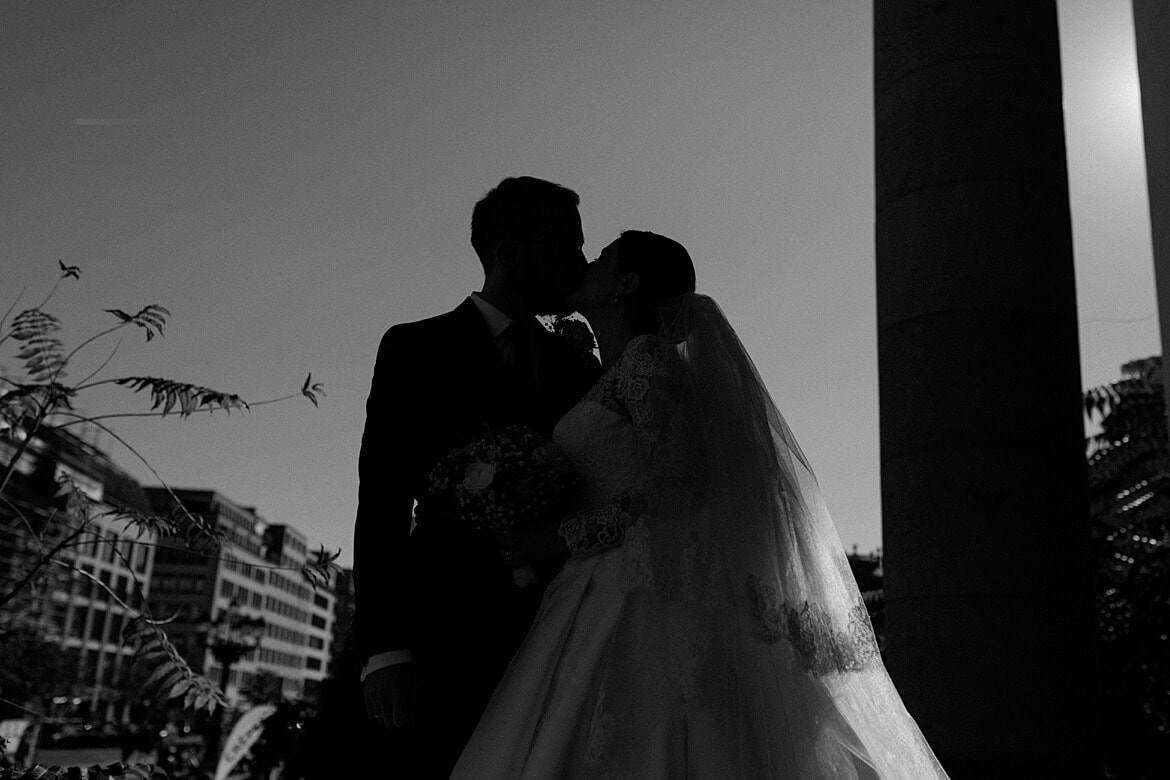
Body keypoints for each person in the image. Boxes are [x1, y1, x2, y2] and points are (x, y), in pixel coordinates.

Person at [453, 231, 951, 777]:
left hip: (633, 592)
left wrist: (560, 536)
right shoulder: (615, 371)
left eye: (603, 256)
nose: (587, 260)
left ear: (627, 283)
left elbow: (680, 486)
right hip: (596, 583)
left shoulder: (645, 360)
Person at [353, 176, 601, 776]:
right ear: (510, 254)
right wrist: (385, 649)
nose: (583, 262)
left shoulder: (580, 366)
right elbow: (382, 499)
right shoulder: (415, 347)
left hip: (564, 632)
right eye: (567, 247)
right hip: (444, 636)